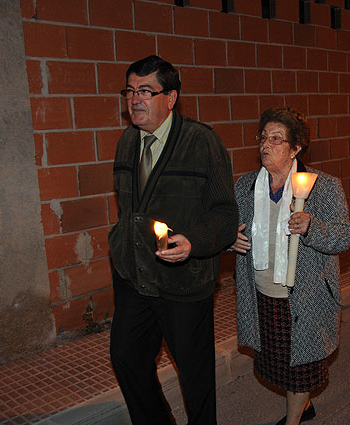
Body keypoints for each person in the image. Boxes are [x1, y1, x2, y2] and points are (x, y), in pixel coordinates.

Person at [108, 55, 238, 425]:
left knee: (194, 376)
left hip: (184, 281)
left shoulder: (201, 141)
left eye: (146, 90)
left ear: (171, 97)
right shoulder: (125, 144)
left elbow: (226, 215)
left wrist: (194, 241)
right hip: (135, 277)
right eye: (130, 90)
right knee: (127, 357)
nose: (135, 99)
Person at [231, 107, 350, 425]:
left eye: (276, 139)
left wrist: (312, 227)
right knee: (279, 363)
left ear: (295, 148)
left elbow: (343, 236)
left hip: (304, 298)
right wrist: (229, 239)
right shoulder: (245, 188)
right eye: (263, 137)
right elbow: (227, 226)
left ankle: (294, 419)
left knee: (299, 368)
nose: (265, 145)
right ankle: (305, 405)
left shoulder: (323, 187)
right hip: (262, 293)